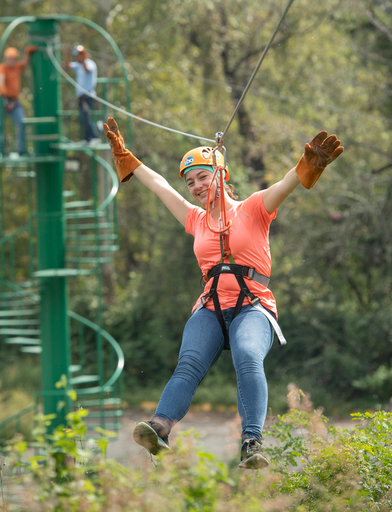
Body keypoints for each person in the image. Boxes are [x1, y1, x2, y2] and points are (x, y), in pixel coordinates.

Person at [102, 118, 344, 469]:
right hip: (211, 308)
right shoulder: (195, 219)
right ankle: (160, 427)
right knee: (188, 364)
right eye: (191, 182)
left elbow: (285, 183)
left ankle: (251, 442)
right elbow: (158, 186)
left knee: (247, 355)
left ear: (222, 175)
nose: (197, 186)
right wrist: (127, 158)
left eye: (203, 176)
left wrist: (307, 165)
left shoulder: (255, 208)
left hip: (253, 307)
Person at [0, 45, 37, 156]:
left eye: (13, 58)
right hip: (3, 101)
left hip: (14, 101)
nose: (11, 60)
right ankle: (2, 149)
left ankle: (21, 150)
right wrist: (4, 94)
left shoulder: (17, 67)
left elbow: (24, 63)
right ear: (6, 58)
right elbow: (0, 82)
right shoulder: (2, 68)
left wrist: (28, 54)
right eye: (10, 58)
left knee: (22, 122)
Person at [64, 45, 100, 145]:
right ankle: (87, 139)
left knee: (87, 116)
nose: (78, 57)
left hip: (88, 96)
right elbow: (66, 66)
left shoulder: (90, 64)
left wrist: (83, 59)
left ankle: (94, 137)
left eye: (80, 55)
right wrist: (66, 53)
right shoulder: (77, 66)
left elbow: (88, 70)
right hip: (80, 97)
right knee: (83, 118)